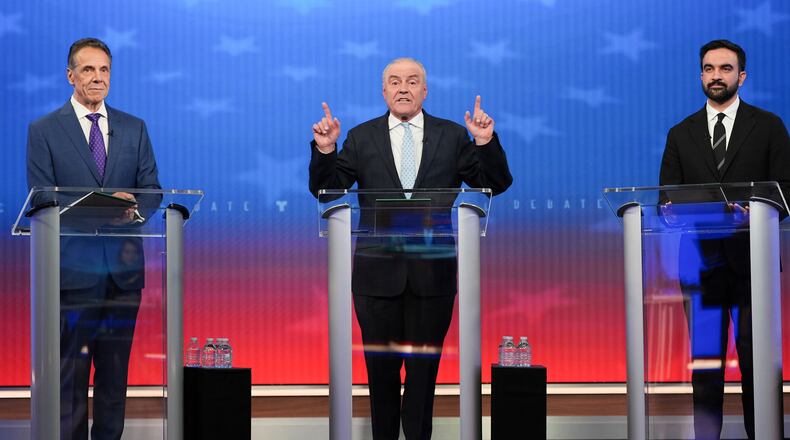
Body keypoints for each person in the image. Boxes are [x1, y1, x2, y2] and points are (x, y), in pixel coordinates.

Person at [309, 57, 512, 439]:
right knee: (380, 373)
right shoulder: (361, 136)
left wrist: (483, 142)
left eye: (412, 81)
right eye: (395, 81)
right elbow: (329, 189)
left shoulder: (452, 136)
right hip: (375, 277)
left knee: (423, 375)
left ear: (425, 90)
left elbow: (494, 183)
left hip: (432, 274)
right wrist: (326, 150)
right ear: (383, 90)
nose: (403, 88)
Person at [26, 37, 161, 440]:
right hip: (72, 273)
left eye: (103, 70)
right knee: (70, 378)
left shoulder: (134, 128)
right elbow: (42, 195)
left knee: (114, 376)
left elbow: (152, 190)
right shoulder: (44, 131)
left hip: (123, 273)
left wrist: (132, 207)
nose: (97, 78)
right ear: (71, 75)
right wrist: (94, 204)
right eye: (88, 70)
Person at [659, 39, 790, 439]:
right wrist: (672, 209)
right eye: (709, 69)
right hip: (699, 266)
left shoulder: (768, 126)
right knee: (706, 365)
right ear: (700, 75)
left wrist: (751, 212)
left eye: (725, 69)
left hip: (754, 262)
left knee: (758, 361)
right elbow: (667, 197)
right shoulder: (681, 133)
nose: (716, 76)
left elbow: (785, 189)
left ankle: (765, 434)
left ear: (741, 76)